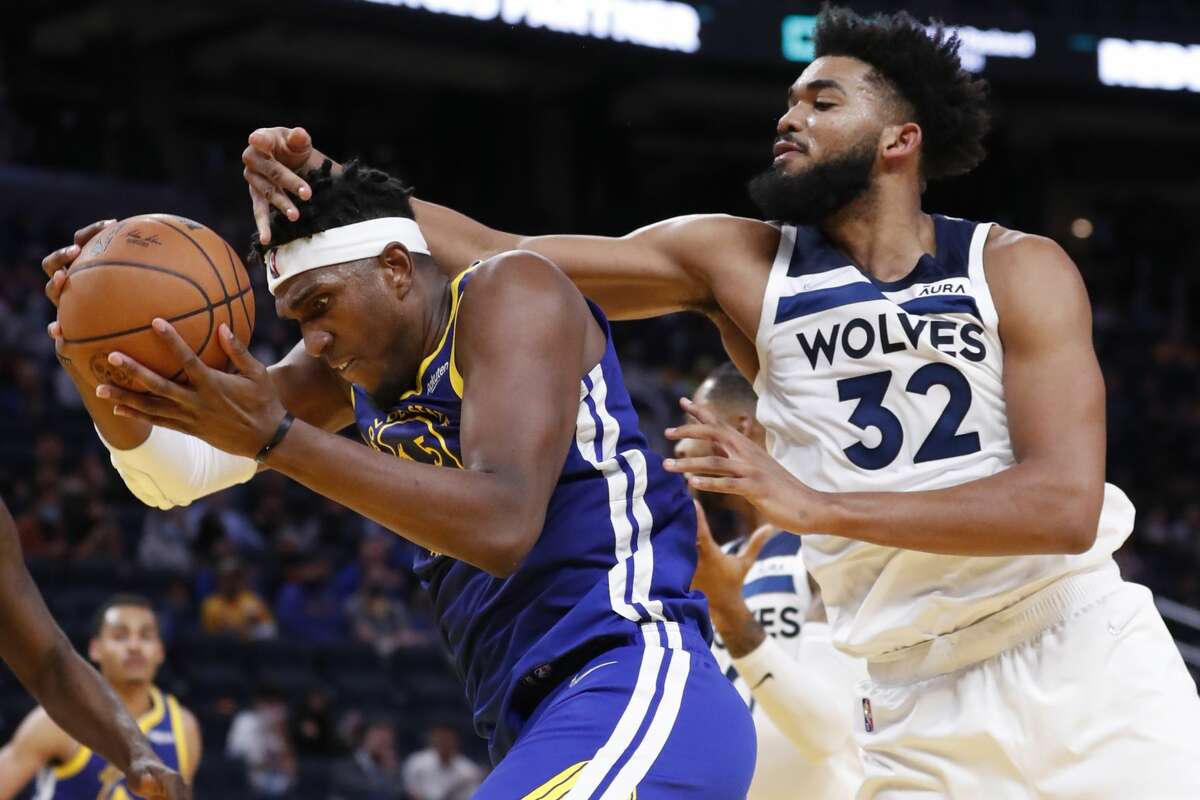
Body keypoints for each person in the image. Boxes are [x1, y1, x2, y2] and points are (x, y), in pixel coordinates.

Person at [232, 6, 1200, 796]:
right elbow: (494, 252)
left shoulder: (1017, 266)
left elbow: (1064, 506)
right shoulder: (737, 261)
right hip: (903, 689)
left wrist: (816, 505)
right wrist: (336, 191)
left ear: (902, 139)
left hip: (1077, 654)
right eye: (786, 100)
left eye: (822, 100)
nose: (789, 117)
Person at [42, 161, 755, 797]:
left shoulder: (510, 292)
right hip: (541, 720)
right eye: (294, 320)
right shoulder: (346, 371)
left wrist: (278, 439)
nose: (311, 341)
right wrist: (89, 355)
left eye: (320, 305)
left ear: (395, 268)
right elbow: (171, 477)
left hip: (635, 679)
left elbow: (503, 522)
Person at [677, 362, 864, 799]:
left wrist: (728, 611)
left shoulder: (830, 545)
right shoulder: (709, 563)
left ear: (743, 426)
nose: (681, 444)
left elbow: (826, 733)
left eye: (693, 423)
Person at [0, 590, 198, 799]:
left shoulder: (184, 726)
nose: (134, 646)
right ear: (95, 649)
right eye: (120, 636)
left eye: (145, 636)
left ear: (160, 651)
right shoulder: (57, 720)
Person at [402, 724, 484, 800]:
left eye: (448, 739)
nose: (444, 743)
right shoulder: (416, 763)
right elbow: (411, 792)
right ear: (433, 739)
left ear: (456, 741)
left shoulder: (468, 770)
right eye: (441, 738)